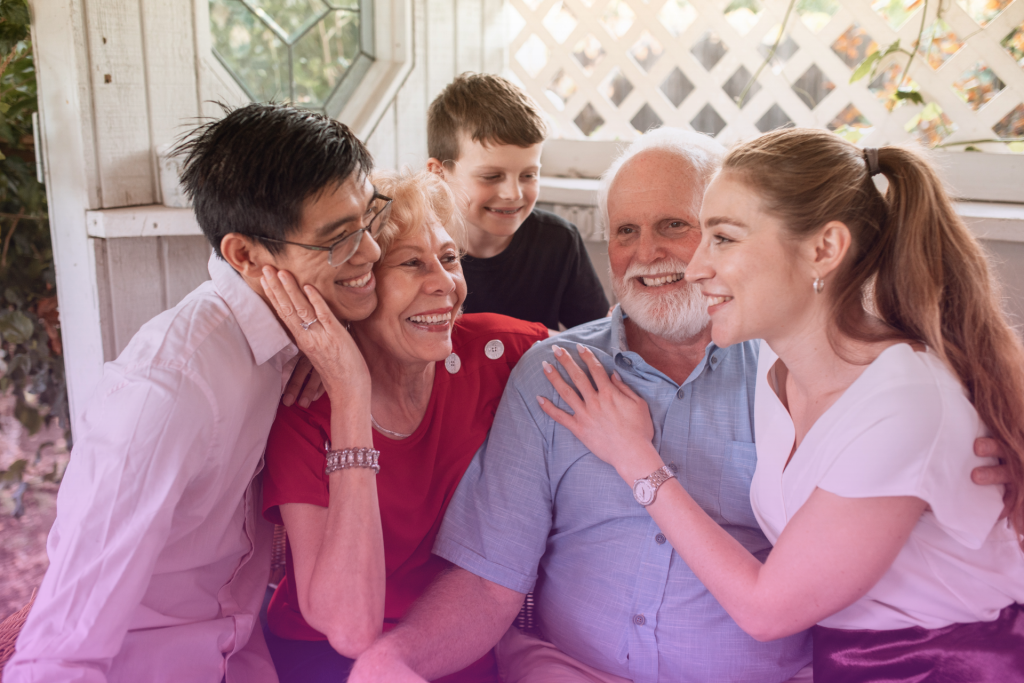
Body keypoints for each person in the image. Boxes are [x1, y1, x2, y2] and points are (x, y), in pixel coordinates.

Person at [346, 128, 1017, 683]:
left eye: (685, 228)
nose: (657, 256)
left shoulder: (812, 373)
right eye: (625, 231)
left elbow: (773, 604)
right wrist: (396, 658)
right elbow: (491, 581)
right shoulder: (559, 371)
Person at [3, 103, 383, 682]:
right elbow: (61, 652)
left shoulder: (301, 334)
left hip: (245, 656)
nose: (371, 252)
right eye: (339, 239)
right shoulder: (166, 390)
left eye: (368, 219)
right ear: (244, 256)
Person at [258, 170, 550, 683]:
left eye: (450, 258)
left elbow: (616, 350)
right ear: (357, 286)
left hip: (456, 644)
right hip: (326, 658)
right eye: (412, 263)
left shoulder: (499, 355)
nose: (445, 283)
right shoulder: (305, 408)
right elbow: (349, 629)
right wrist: (351, 393)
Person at [426, 72, 609, 330]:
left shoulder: (559, 242)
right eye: (491, 176)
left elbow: (597, 337)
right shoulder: (413, 248)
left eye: (528, 175)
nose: (513, 194)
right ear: (439, 174)